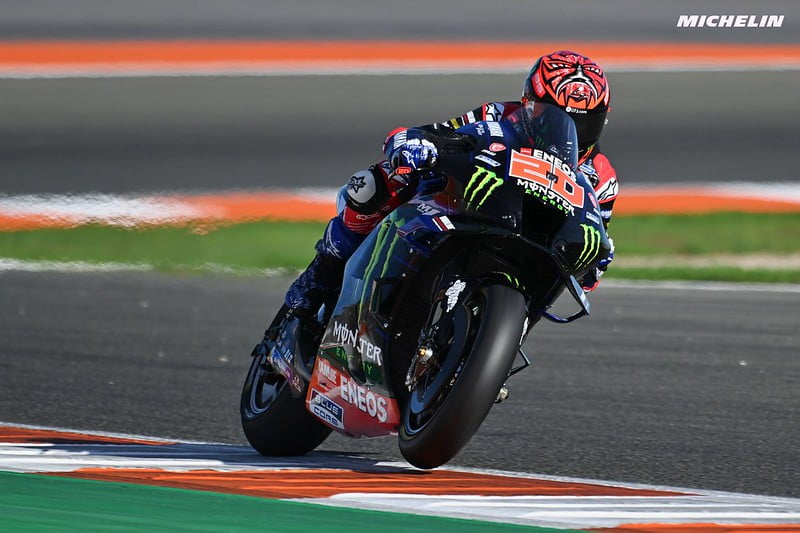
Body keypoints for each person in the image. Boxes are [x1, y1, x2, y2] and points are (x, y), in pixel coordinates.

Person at [285, 50, 618, 317]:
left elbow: (589, 269)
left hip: (527, 254)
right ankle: (322, 272)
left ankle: (486, 347)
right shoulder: (498, 114)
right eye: (556, 117)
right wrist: (416, 144)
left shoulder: (601, 178)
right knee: (374, 184)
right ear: (529, 103)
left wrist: (596, 257)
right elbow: (442, 134)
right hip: (473, 206)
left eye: (584, 122)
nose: (569, 133)